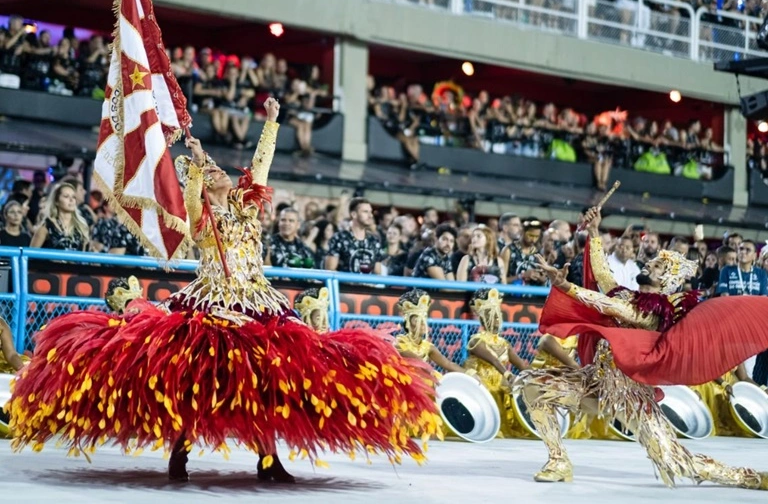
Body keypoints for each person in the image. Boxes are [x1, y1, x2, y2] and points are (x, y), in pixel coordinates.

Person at [8, 98, 442, 484]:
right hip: (211, 300)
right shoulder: (202, 219)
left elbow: (262, 166)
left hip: (257, 301)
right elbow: (193, 198)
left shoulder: (248, 208)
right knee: (194, 378)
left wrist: (272, 123)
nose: (223, 173)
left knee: (269, 381)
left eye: (221, 171)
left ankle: (268, 459)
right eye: (214, 172)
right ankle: (180, 450)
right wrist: (195, 164)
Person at [517, 206, 768, 490]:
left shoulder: (655, 312)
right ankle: (558, 461)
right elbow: (604, 278)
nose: (648, 265)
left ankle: (750, 477)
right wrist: (595, 232)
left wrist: (567, 287)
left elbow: (613, 307)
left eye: (658, 266)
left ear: (668, 281)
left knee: (674, 461)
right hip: (596, 383)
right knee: (533, 385)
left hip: (631, 397)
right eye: (651, 262)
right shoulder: (629, 295)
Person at [462, 288, 528, 438]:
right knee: (494, 391)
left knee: (517, 389)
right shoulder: (476, 340)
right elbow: (493, 360)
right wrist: (506, 373)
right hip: (481, 381)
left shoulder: (504, 343)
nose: (497, 320)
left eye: (498, 316)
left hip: (501, 380)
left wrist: (540, 375)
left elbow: (522, 365)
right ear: (484, 319)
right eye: (492, 316)